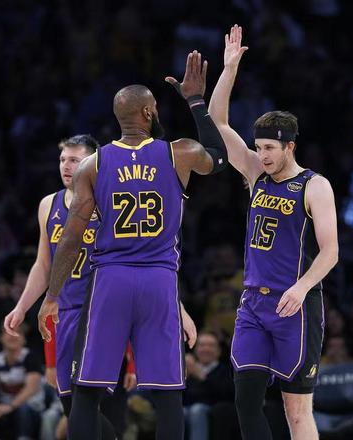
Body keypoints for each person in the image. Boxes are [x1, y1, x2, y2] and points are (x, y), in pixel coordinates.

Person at [37, 50, 228, 440]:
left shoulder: (93, 165)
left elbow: (71, 238)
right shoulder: (179, 152)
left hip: (110, 280)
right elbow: (220, 158)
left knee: (85, 393)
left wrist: (52, 294)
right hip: (159, 280)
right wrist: (195, 100)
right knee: (168, 398)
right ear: (148, 112)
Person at [208, 25, 339, 440]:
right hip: (253, 303)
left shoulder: (315, 186)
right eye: (259, 147)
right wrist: (230, 69)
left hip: (294, 305)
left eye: (269, 148)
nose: (261, 155)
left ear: (289, 147)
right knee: (245, 400)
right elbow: (217, 121)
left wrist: (301, 288)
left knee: (296, 410)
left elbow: (331, 252)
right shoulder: (254, 173)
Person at [2, 134, 135, 438]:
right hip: (65, 313)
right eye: (63, 159)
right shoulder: (48, 205)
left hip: (101, 314)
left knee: (90, 407)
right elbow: (43, 265)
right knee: (72, 408)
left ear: (93, 164)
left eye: (74, 160)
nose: (66, 166)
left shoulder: (110, 203)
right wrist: (22, 307)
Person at [0, 324, 43, 440]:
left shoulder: (31, 357)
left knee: (23, 410)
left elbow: (31, 389)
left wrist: (9, 407)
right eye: (8, 332)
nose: (13, 336)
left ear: (24, 339)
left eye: (18, 333)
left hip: (30, 409)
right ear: (1, 338)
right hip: (2, 407)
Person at [183, 331, 236, 440]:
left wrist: (202, 377)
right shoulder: (188, 369)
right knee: (178, 411)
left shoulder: (226, 370)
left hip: (213, 409)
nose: (206, 349)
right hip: (187, 409)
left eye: (211, 345)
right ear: (196, 350)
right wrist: (185, 377)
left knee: (197, 410)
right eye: (202, 345)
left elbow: (227, 394)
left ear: (219, 351)